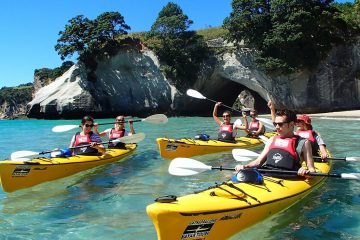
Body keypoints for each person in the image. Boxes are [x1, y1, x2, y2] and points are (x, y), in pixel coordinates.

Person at [235, 109, 316, 177]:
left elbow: (312, 170)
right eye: (275, 124)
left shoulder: (303, 143)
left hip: (289, 178)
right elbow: (258, 162)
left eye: (280, 124)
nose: (277, 127)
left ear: (291, 124)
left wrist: (306, 172)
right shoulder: (271, 140)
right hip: (267, 175)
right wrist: (245, 166)